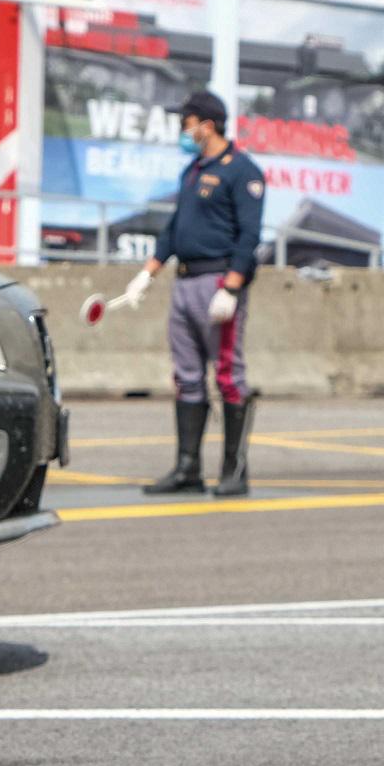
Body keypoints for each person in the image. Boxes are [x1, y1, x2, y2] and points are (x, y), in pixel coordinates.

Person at [128, 91, 266, 498]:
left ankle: (234, 471)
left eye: (186, 123)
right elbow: (174, 229)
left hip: (217, 284)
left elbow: (250, 235)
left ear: (207, 125)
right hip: (184, 283)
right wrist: (147, 273)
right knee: (186, 377)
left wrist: (232, 287)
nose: (183, 131)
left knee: (227, 376)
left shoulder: (242, 171)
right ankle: (188, 468)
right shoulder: (192, 171)